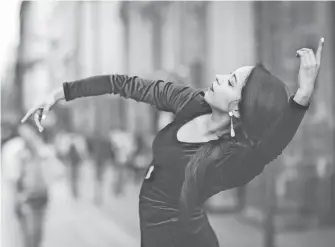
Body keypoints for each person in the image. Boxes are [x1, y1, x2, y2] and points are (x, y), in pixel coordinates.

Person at [21, 38, 324, 247]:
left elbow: (269, 149)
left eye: (230, 82)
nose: (219, 76)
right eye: (230, 74)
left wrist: (302, 98)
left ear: (236, 109)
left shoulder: (229, 159)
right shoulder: (192, 102)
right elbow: (125, 84)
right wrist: (60, 93)